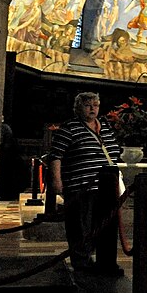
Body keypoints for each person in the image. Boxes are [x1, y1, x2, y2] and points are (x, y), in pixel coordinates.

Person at [47, 92, 123, 275]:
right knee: (81, 226)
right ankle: (82, 264)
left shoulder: (104, 126)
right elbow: (56, 155)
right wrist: (57, 182)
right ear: (78, 107)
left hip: (106, 187)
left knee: (103, 225)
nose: (92, 109)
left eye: (95, 105)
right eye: (88, 105)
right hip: (81, 187)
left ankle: (104, 262)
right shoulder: (69, 128)